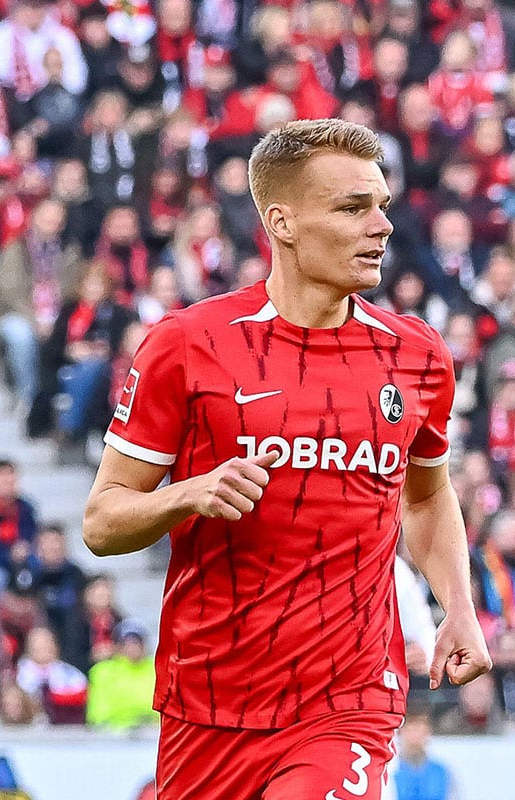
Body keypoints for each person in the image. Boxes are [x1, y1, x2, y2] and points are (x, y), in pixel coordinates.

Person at [83, 120, 491, 800]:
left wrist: (459, 605)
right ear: (284, 222)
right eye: (353, 207)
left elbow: (423, 497)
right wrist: (189, 493)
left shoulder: (416, 355)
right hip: (210, 701)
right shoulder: (189, 345)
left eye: (382, 205)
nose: (381, 226)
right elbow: (102, 522)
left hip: (349, 699)